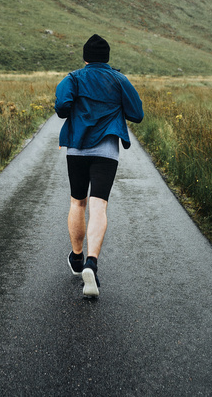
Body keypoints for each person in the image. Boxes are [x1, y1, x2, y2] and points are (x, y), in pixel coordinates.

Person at [54, 34, 144, 298]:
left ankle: (78, 258)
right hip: (106, 149)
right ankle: (92, 262)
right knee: (99, 205)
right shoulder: (119, 79)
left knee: (77, 203)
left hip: (77, 148)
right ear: (107, 58)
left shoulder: (72, 78)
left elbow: (61, 107)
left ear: (85, 58)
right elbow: (136, 114)